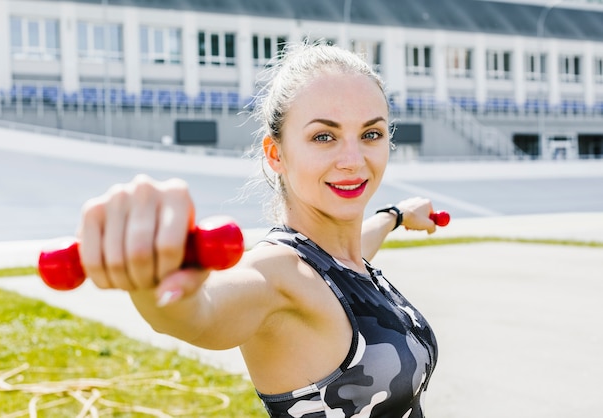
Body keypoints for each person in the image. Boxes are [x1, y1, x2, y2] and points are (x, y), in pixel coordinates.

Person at [77, 42, 440, 417]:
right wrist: (157, 283)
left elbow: (352, 255)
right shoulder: (277, 275)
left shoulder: (337, 261)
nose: (353, 160)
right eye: (323, 137)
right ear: (276, 154)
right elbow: (200, 314)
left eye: (371, 134)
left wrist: (396, 215)